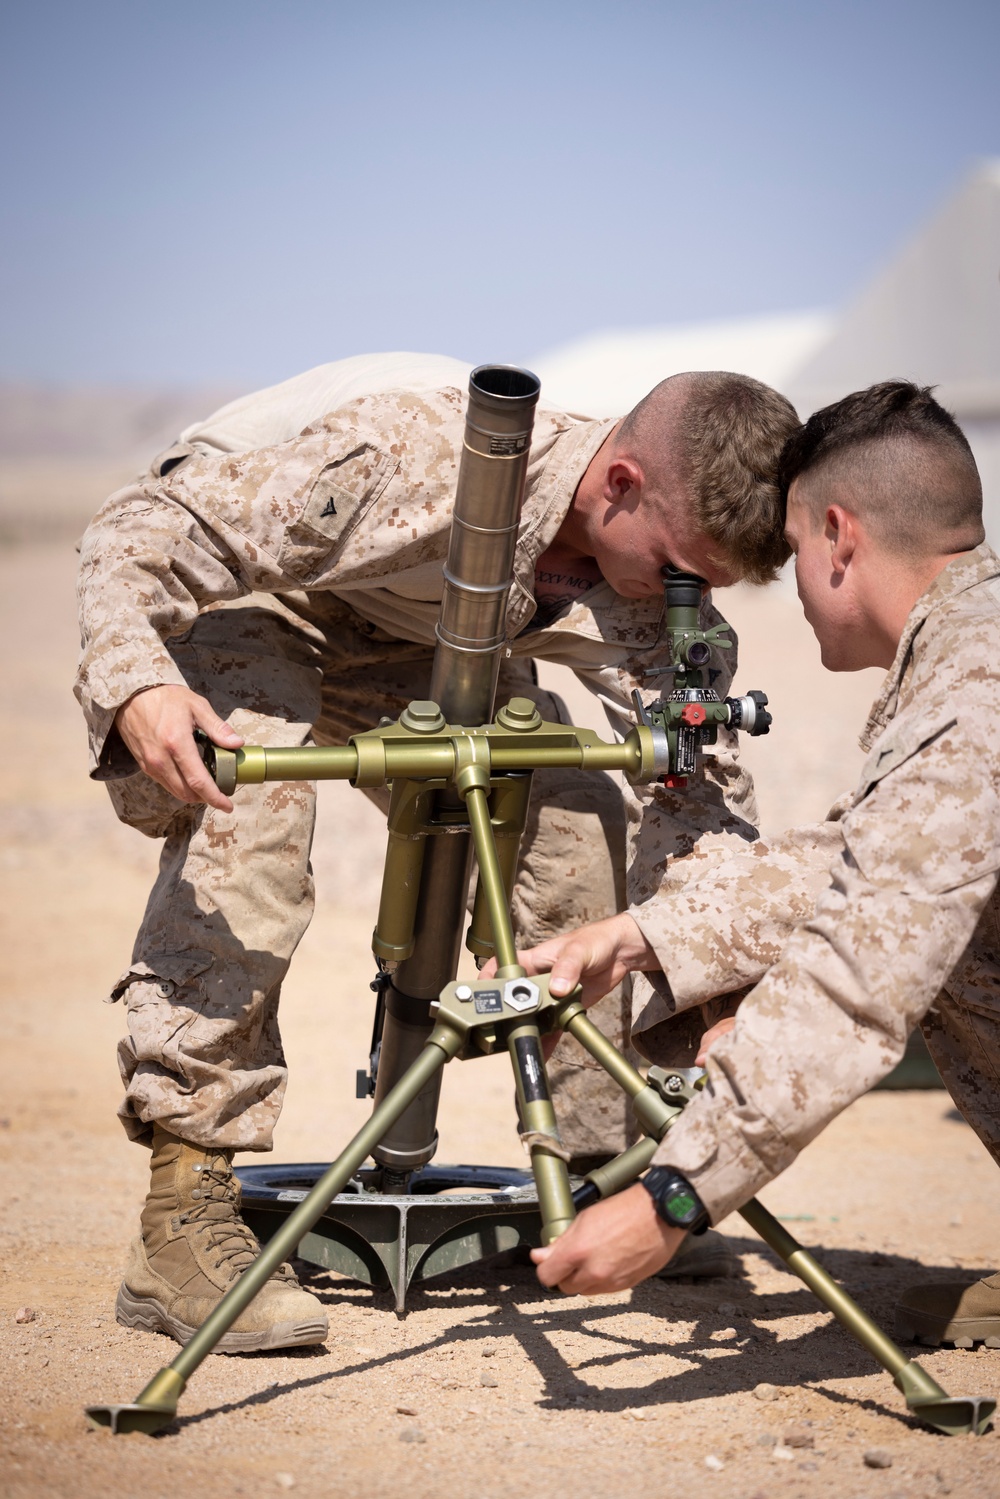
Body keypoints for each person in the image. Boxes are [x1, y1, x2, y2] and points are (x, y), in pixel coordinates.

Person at [75, 351, 799, 1350]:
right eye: (676, 572)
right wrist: (137, 682)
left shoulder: (658, 567)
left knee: (573, 802)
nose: (682, 603)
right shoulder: (408, 452)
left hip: (415, 636)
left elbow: (704, 794)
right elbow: (140, 532)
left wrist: (716, 997)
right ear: (621, 485)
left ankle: (608, 1170)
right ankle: (184, 1203)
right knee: (262, 781)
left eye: (703, 587)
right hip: (256, 593)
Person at [516, 380, 1000, 1352]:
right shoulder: (968, 643)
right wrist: (647, 935)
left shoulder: (971, 688)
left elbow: (862, 965)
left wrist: (671, 1197)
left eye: (786, 551)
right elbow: (859, 857)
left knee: (928, 950)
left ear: (836, 536)